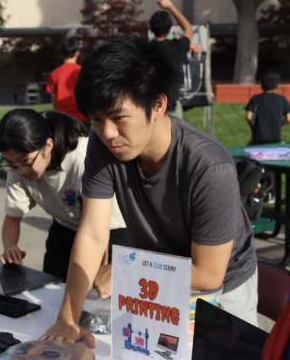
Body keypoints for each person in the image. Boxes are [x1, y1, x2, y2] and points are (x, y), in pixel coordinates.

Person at [41, 37, 258, 347]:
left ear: (158, 105)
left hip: (221, 288)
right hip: (154, 277)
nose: (107, 133)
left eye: (118, 117)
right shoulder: (105, 145)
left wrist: (129, 270)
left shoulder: (210, 167)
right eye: (96, 120)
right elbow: (92, 233)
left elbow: (208, 274)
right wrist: (67, 318)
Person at [0, 109, 127, 281]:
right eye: (9, 162)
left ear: (48, 145)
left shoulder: (83, 159)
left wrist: (100, 271)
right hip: (66, 226)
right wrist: (10, 246)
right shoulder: (17, 168)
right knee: (50, 287)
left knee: (97, 296)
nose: (18, 170)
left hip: (112, 231)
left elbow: (98, 231)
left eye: (24, 161)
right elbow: (13, 216)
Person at [150, 0, 193, 119]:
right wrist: (170, 6)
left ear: (152, 29)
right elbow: (188, 29)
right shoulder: (177, 47)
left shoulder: (145, 49)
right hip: (172, 104)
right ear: (170, 29)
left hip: (150, 104)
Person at [46, 37, 90, 130]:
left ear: (61, 53)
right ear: (77, 53)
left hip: (62, 119)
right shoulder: (83, 71)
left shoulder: (55, 73)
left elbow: (53, 96)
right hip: (82, 118)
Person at [245, 71, 290, 145]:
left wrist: (252, 126)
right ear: (276, 85)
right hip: (276, 136)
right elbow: (288, 118)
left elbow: (248, 116)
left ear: (261, 85)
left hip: (259, 135)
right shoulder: (282, 99)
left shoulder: (256, 98)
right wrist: (279, 125)